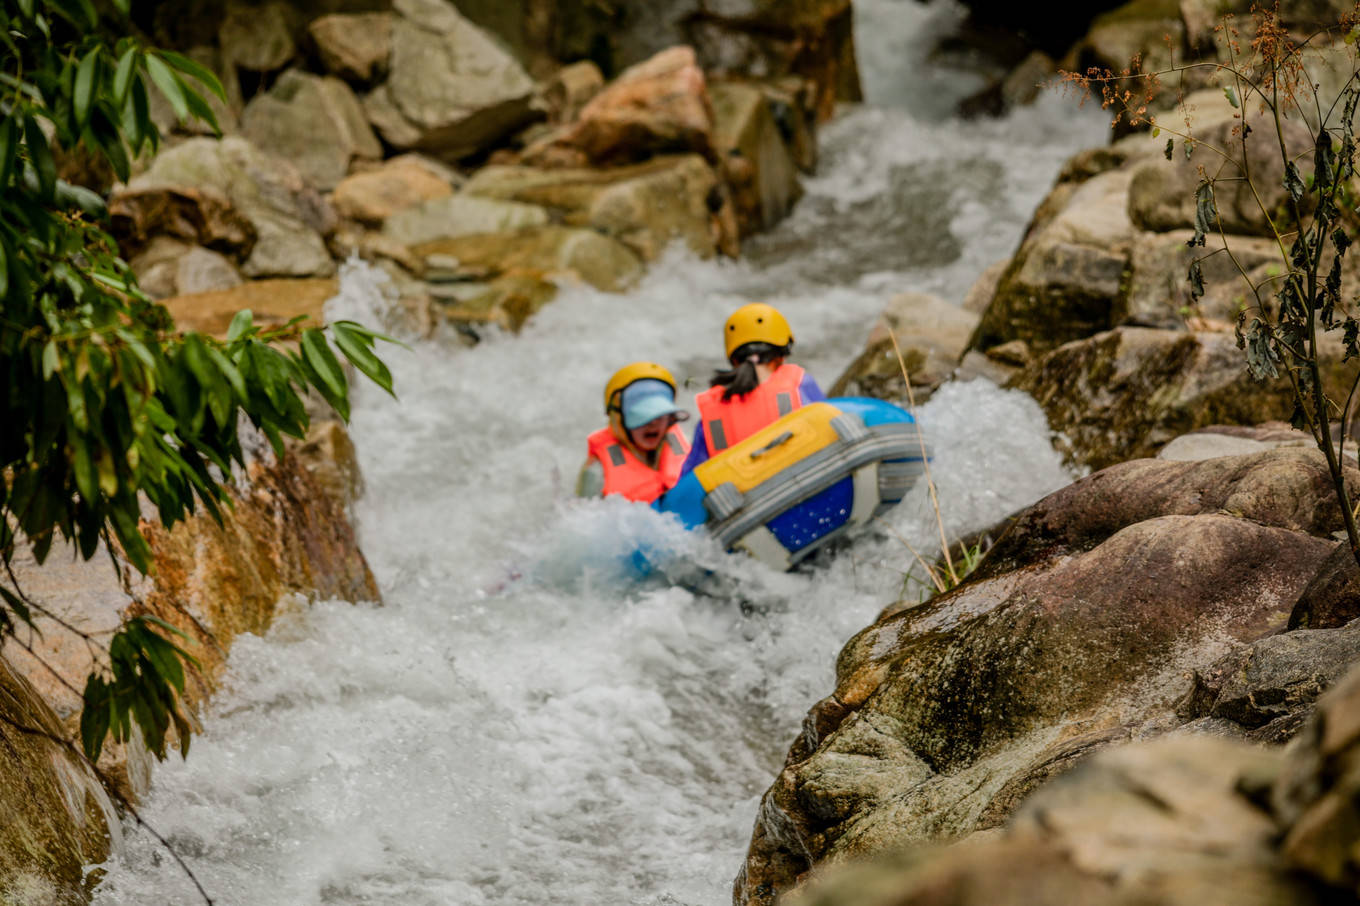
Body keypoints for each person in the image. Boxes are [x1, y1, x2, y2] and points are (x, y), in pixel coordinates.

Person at [679, 302, 825, 475]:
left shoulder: (712, 416)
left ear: (734, 360)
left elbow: (691, 477)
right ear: (782, 355)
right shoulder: (800, 384)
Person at [578, 362, 692, 504]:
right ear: (618, 417)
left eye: (660, 415)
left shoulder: (684, 446)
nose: (653, 423)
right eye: (642, 416)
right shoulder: (596, 472)